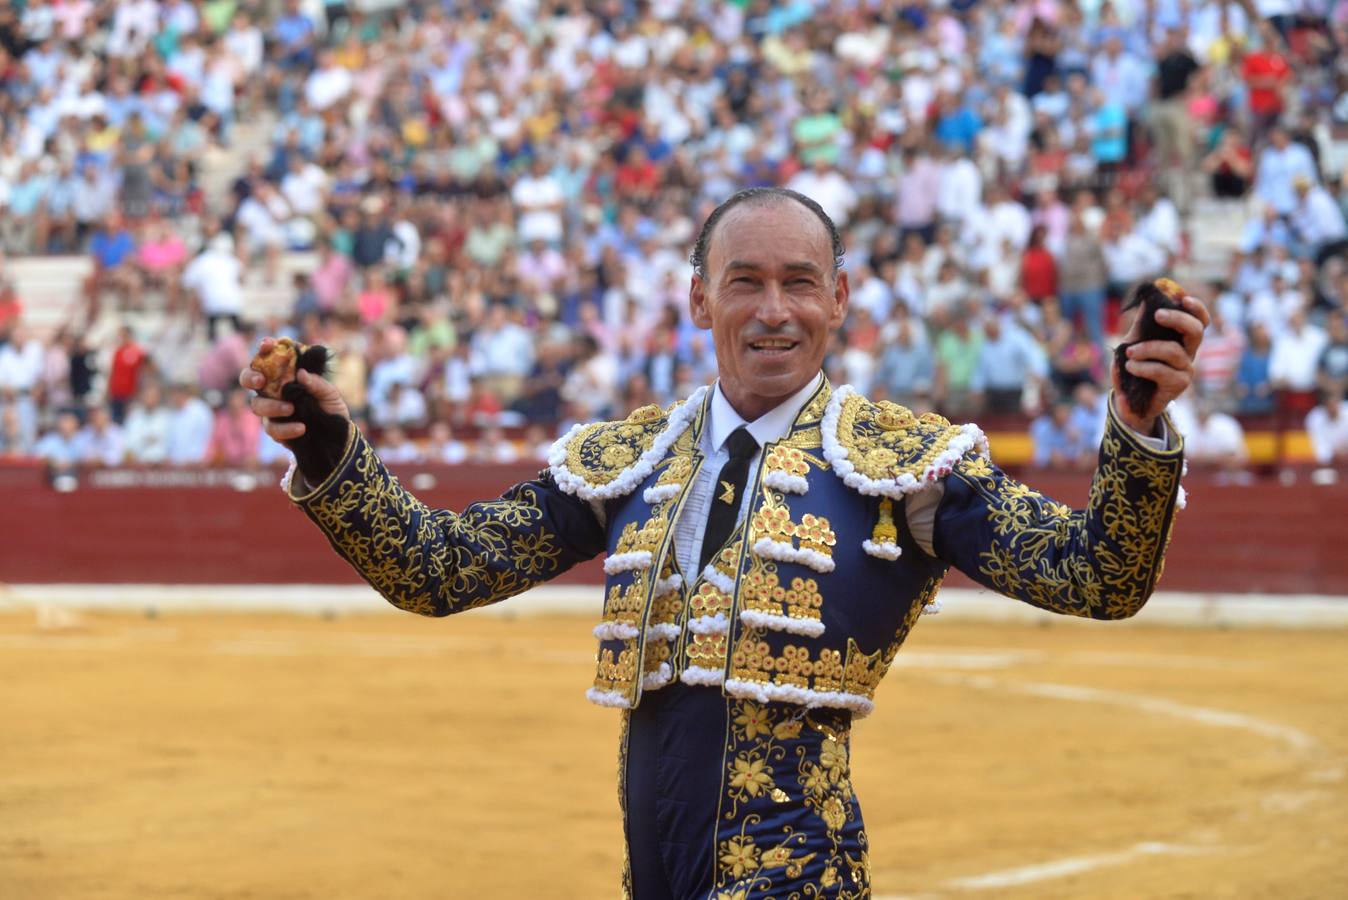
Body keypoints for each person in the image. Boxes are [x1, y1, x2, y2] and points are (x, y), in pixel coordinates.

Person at [240, 188, 1205, 898]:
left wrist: (1135, 428)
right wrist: (331, 449)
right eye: (745, 283)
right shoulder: (629, 459)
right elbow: (436, 570)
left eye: (799, 283)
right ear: (700, 300)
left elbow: (1101, 577)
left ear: (840, 299)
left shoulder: (908, 465)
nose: (773, 309)